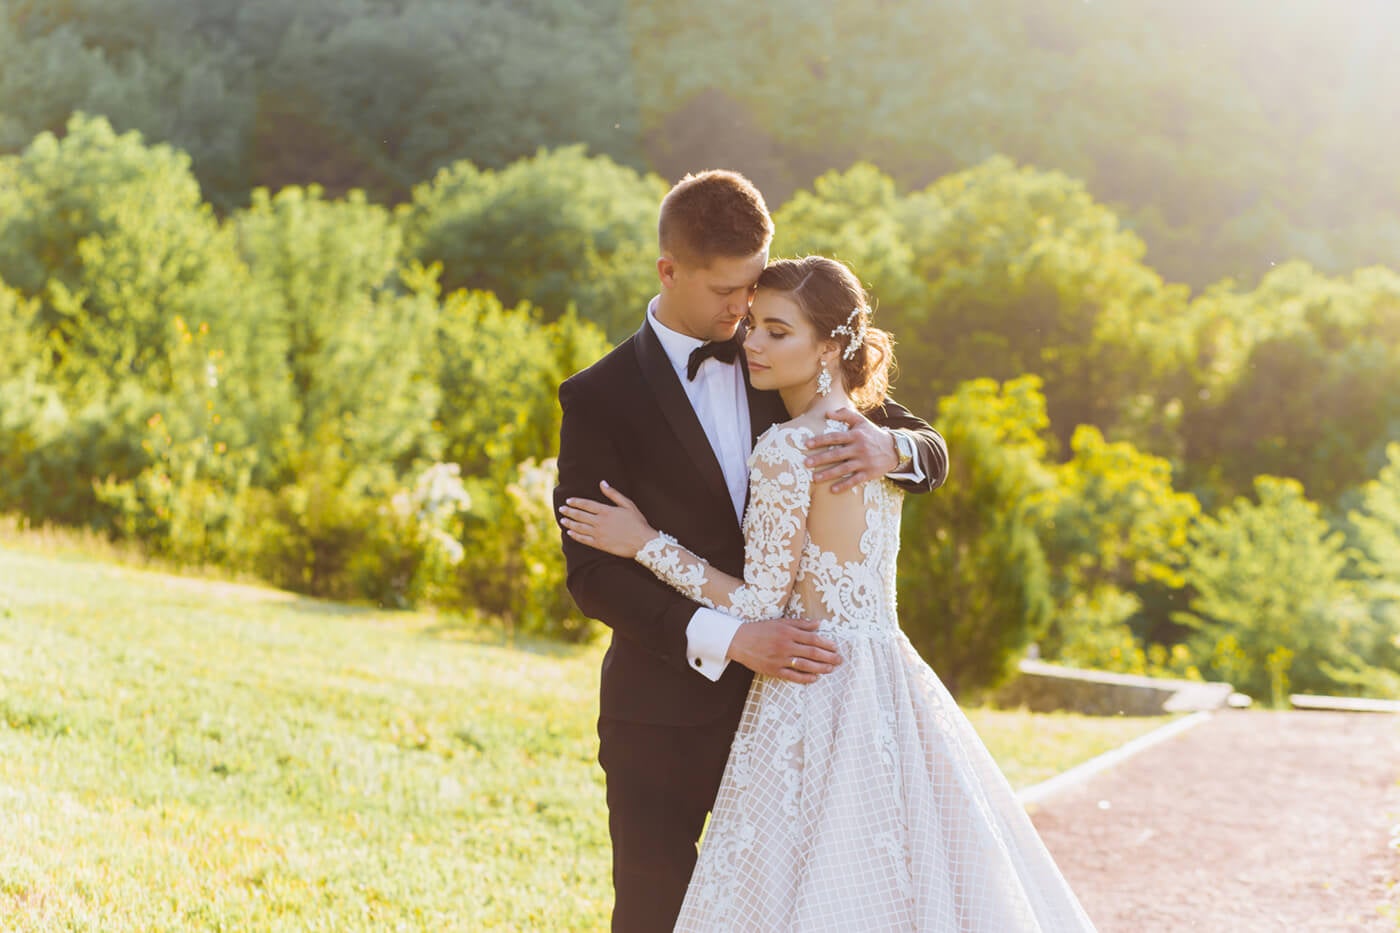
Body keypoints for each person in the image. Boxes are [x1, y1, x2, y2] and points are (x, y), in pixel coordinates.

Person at [559, 256, 1098, 931]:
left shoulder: (805, 446)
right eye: (752, 323)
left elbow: (759, 602)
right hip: (883, 679)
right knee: (897, 876)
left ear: (829, 345)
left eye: (774, 330)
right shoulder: (856, 431)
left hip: (806, 682)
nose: (751, 341)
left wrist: (644, 542)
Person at [552, 171, 949, 931]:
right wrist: (735, 638)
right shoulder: (599, 398)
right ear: (669, 270)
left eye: (753, 291)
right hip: (662, 710)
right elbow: (596, 574)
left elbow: (925, 447)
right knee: (655, 911)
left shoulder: (780, 350)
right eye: (728, 292)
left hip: (802, 711)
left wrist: (889, 446)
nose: (743, 313)